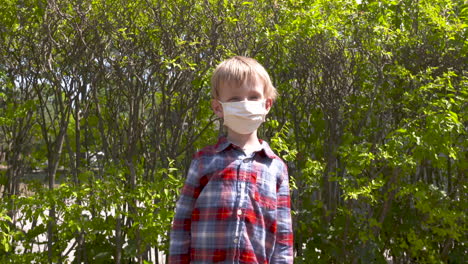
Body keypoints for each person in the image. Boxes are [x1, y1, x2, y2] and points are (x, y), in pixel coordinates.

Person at [169, 56, 293, 264]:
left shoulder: (276, 168)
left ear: (267, 105)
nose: (245, 104)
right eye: (235, 99)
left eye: (254, 97)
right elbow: (182, 223)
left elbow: (283, 238)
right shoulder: (204, 161)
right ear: (218, 108)